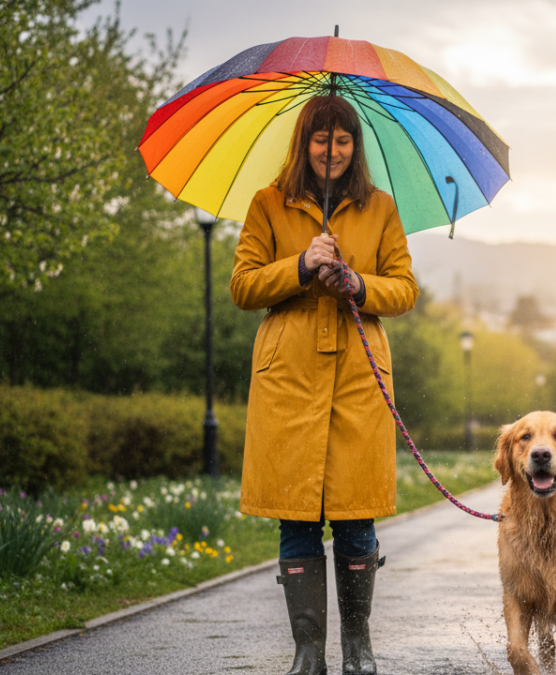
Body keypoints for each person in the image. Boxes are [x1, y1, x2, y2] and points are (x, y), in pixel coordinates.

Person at [230, 95, 418, 675]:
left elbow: (405, 290)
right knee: (298, 516)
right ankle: (308, 653)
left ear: (354, 147)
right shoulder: (267, 204)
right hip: (289, 380)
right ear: (303, 142)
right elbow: (242, 285)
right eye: (320, 139)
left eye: (342, 140)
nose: (331, 151)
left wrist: (358, 283)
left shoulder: (380, 209)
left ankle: (358, 650)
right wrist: (302, 267)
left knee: (356, 513)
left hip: (359, 381)